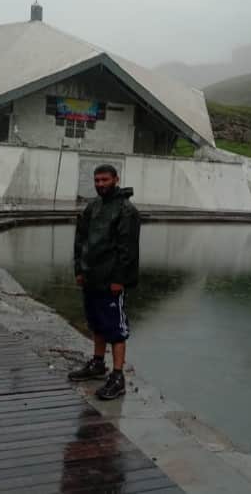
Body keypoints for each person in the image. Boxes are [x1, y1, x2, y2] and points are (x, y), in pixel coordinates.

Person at [68, 164, 140, 400]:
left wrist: (119, 279)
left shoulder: (126, 210)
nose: (100, 184)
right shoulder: (93, 207)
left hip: (111, 281)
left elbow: (127, 250)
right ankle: (98, 363)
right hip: (91, 276)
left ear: (116, 180)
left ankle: (118, 377)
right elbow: (81, 239)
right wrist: (79, 269)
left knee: (116, 329)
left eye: (105, 180)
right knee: (97, 322)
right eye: (97, 180)